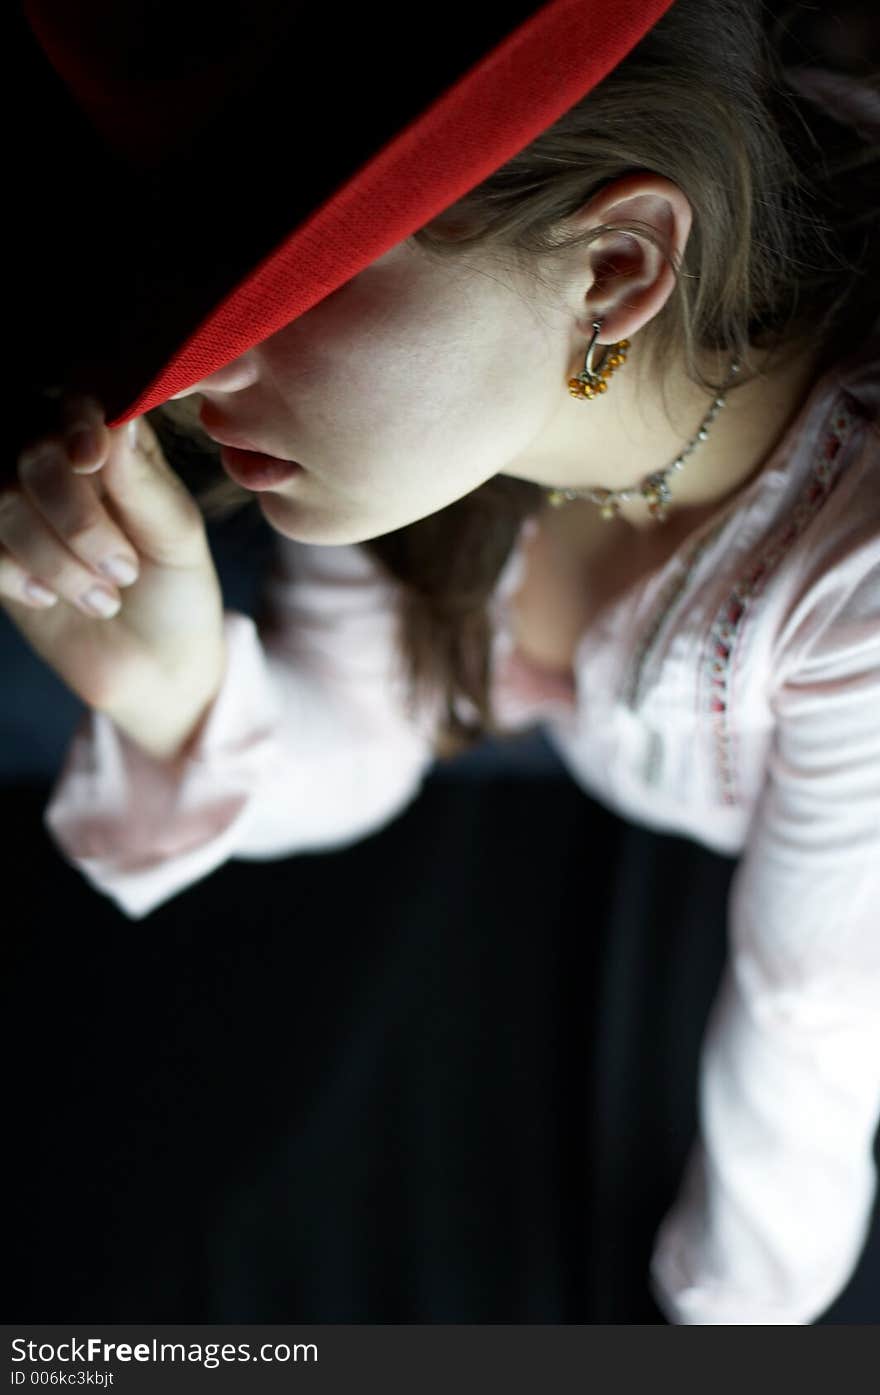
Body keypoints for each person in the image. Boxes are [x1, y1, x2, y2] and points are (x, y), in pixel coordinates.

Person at [4, 0, 879, 1325]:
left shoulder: (854, 577)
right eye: (201, 299)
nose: (198, 376)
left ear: (616, 270)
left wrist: (739, 1315)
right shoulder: (428, 437)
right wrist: (167, 682)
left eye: (301, 285)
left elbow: (813, 1003)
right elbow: (368, 728)